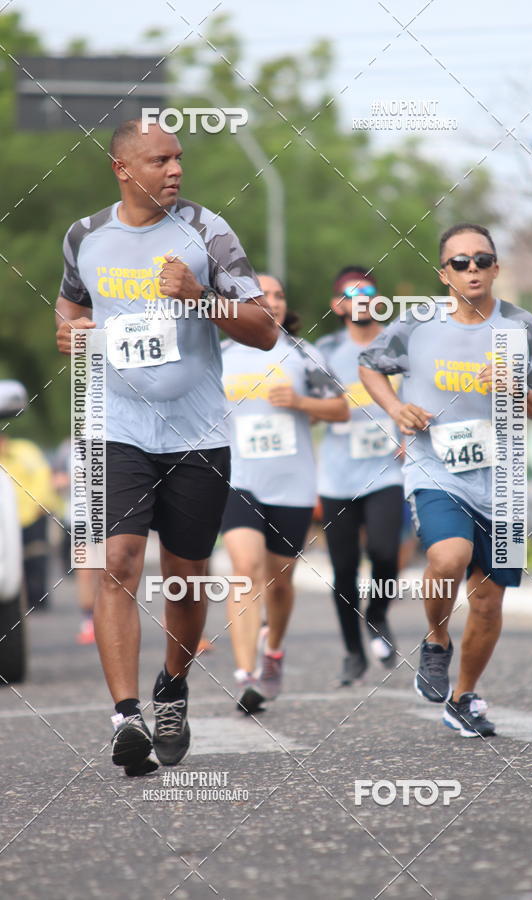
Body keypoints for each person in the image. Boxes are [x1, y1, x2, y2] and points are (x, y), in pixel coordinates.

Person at [55, 119, 276, 775]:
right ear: (123, 169)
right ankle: (126, 716)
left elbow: (264, 329)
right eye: (160, 160)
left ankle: (172, 687)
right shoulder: (86, 237)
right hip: (111, 425)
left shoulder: (208, 232)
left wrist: (201, 297)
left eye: (179, 158)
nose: (175, 169)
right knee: (117, 559)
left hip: (197, 432)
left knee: (184, 577)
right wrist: (70, 333)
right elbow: (69, 308)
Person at [359, 223, 532, 737]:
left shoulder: (522, 328)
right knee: (448, 557)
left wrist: (517, 388)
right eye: (460, 262)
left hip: (507, 478)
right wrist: (396, 407)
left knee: (490, 602)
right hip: (436, 467)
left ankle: (463, 696)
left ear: (496, 267)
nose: (472, 269)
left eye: (482, 259)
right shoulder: (418, 322)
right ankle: (435, 640)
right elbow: (369, 365)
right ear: (443, 273)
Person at [221, 273, 349, 713]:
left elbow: (341, 408)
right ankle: (245, 672)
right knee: (244, 566)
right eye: (261, 295)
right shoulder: (218, 354)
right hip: (237, 477)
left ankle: (272, 651)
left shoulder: (303, 354)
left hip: (291, 483)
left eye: (278, 295)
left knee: (279, 581)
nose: (271, 302)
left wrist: (300, 403)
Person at [316, 266, 405, 686]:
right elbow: (309, 404)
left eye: (368, 290)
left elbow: (427, 392)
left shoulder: (400, 342)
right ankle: (353, 650)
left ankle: (379, 614)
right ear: (337, 305)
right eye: (351, 293)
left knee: (386, 552)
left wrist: (413, 433)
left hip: (387, 469)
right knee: (344, 569)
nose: (360, 298)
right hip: (337, 476)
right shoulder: (326, 350)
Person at [0, 411, 57, 614]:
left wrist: (40, 503)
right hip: (7, 521)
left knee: (36, 557)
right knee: (15, 561)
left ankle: (38, 598)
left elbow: (42, 475)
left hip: (32, 515)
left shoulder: (25, 451)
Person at [52, 437, 100, 644]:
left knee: (107, 571)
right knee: (85, 570)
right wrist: (69, 481)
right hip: (78, 518)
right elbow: (56, 481)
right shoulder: (66, 449)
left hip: (106, 517)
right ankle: (88, 620)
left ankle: (107, 617)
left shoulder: (112, 442)